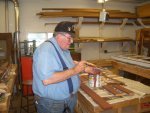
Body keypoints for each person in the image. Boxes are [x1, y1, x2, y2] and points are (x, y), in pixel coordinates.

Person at [32, 21, 98, 113]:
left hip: (67, 100)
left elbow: (66, 66)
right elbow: (48, 79)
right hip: (52, 104)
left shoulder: (63, 49)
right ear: (59, 35)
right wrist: (75, 70)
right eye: (69, 38)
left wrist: (85, 68)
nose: (71, 41)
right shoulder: (46, 50)